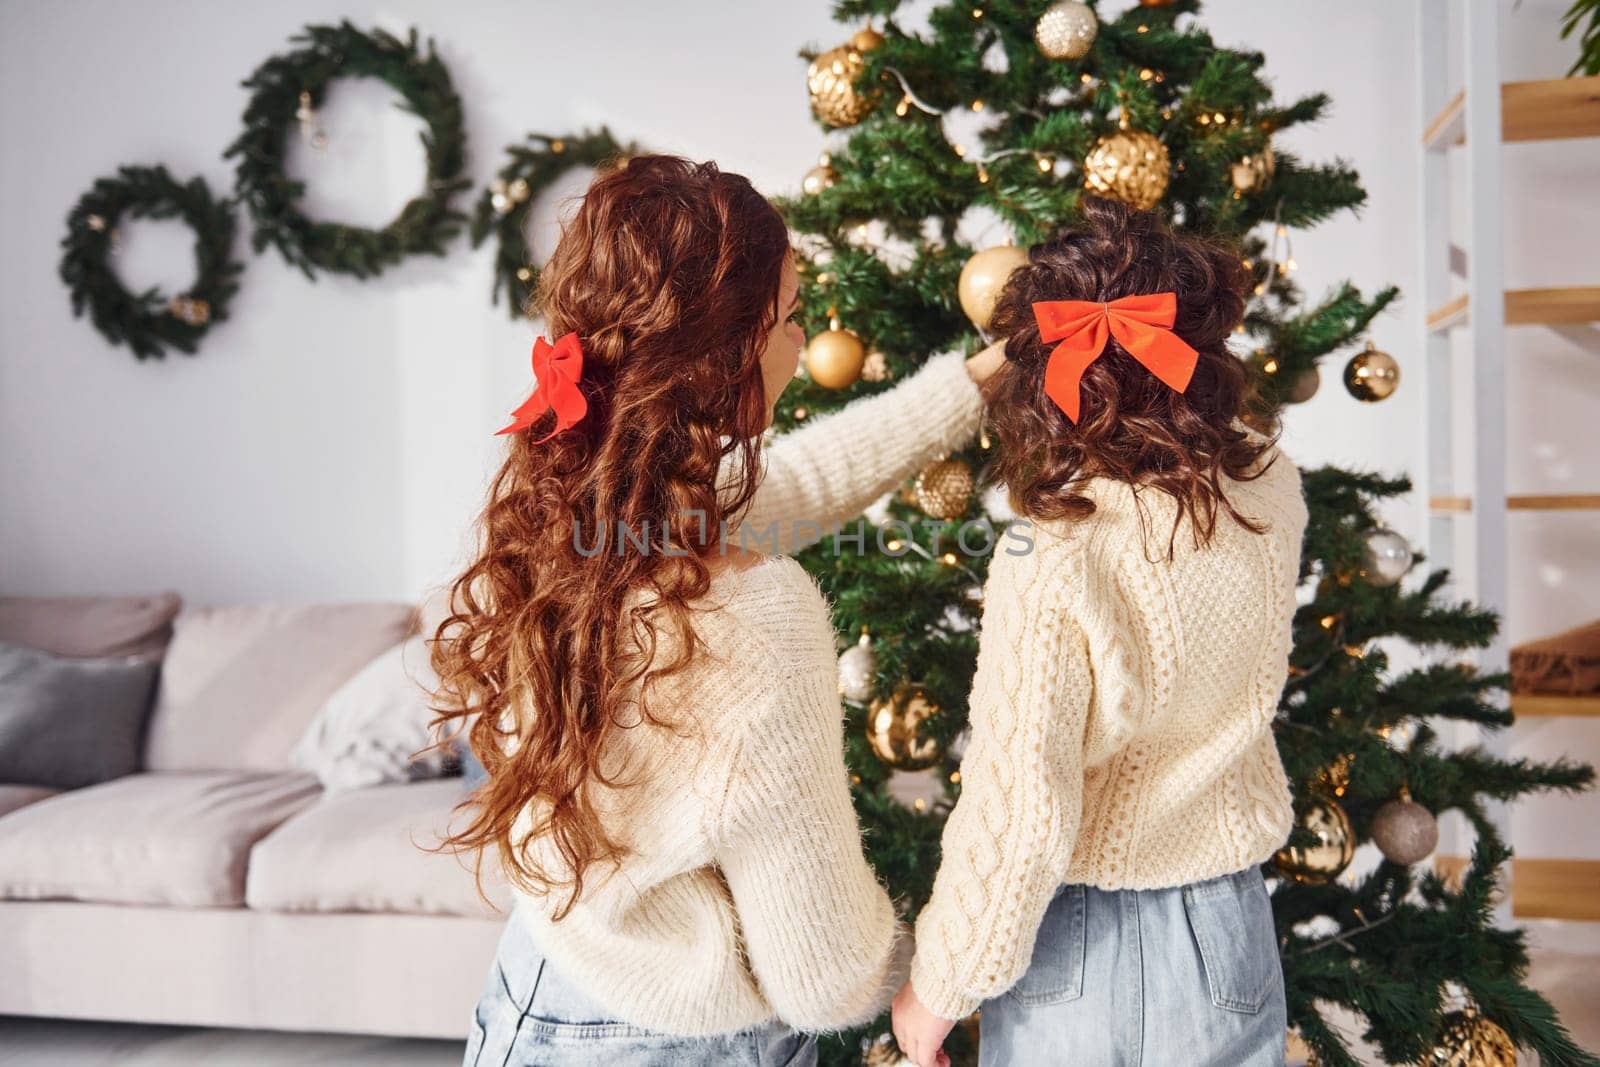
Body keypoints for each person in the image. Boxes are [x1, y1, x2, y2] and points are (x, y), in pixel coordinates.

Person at [424, 154, 1007, 1067]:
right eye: (790, 318)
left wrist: (974, 386)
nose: (801, 344)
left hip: (541, 989)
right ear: (730, 352)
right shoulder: (755, 620)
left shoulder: (568, 506)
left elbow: (806, 481)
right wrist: (938, 970)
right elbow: (825, 979)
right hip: (675, 1044)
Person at [891, 197, 1305, 1067]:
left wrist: (941, 984)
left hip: (1081, 938)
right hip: (1230, 920)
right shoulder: (1272, 490)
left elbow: (1022, 802)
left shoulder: (1055, 546)